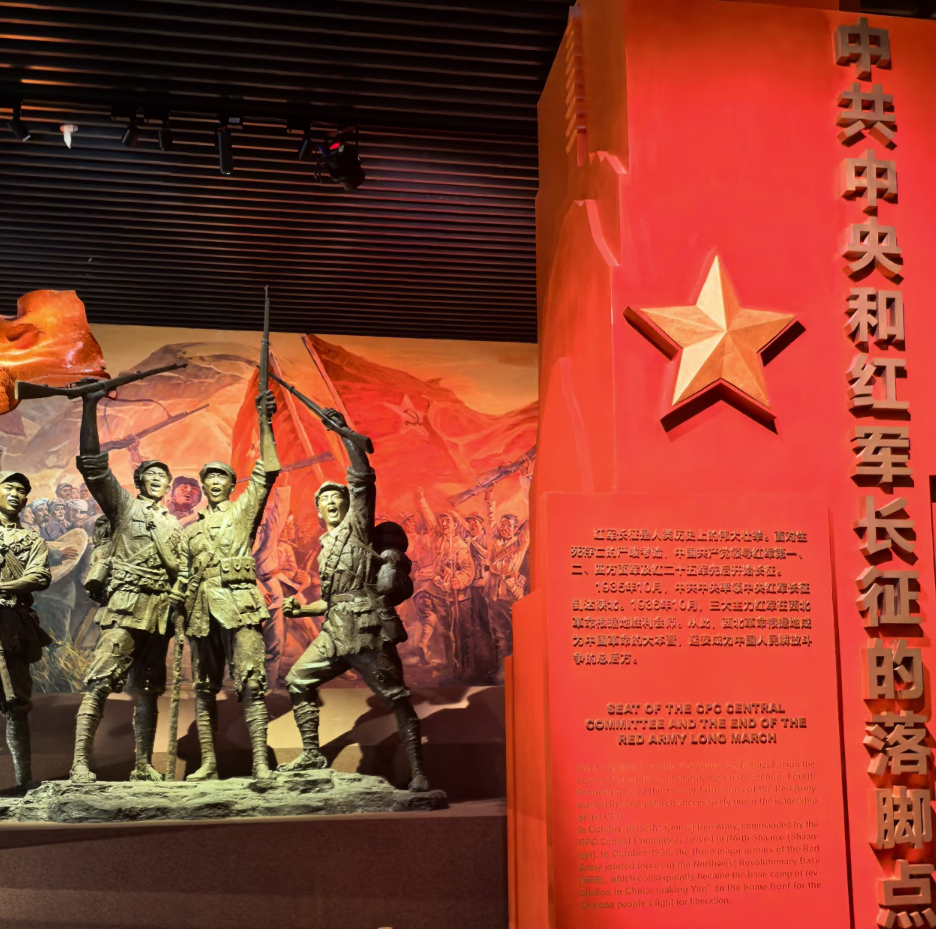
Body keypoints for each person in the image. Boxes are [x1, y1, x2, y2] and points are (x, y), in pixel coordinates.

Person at [278, 409, 430, 792]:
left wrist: (343, 433)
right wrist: (302, 609)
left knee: (396, 698)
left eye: (337, 497)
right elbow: (333, 601)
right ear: (318, 510)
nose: (331, 502)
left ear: (349, 506)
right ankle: (311, 755)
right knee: (297, 681)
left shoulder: (356, 530)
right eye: (324, 500)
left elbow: (362, 477)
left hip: (366, 630)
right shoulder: (325, 546)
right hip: (335, 631)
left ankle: (418, 772)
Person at [70, 386, 184, 784]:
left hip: (160, 612)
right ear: (138, 481)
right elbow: (93, 467)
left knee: (148, 690)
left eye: (162, 477)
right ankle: (79, 763)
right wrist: (90, 406)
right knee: (100, 681)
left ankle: (142, 765)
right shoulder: (124, 507)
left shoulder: (174, 526)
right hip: (126, 604)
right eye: (150, 475)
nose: (157, 480)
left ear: (168, 486)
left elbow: (183, 569)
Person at [173, 389, 279, 781]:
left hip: (239, 605)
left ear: (233, 485)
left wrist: (265, 421)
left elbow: (268, 471)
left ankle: (261, 763)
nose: (215, 483)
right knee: (203, 688)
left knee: (251, 683)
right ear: (203, 486)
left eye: (222, 478)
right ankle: (209, 763)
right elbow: (183, 573)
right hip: (202, 613)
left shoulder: (242, 514)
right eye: (210, 478)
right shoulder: (190, 530)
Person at [0, 471, 52, 793]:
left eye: (21, 490)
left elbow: (40, 576)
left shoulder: (31, 541)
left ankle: (23, 783)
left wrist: (3, 586)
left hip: (12, 626)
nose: (15, 493)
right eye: (9, 487)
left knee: (17, 703)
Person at [486, 503, 529, 683]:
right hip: (493, 594)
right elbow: (490, 518)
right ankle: (501, 670)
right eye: (502, 524)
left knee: (512, 634)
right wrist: (489, 498)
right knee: (497, 634)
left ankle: (514, 671)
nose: (504, 528)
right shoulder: (494, 541)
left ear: (516, 529)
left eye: (508, 525)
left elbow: (529, 526)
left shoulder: (520, 542)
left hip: (510, 594)